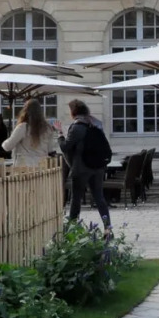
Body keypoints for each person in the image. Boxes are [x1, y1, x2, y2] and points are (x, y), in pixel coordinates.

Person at [59, 99, 114, 231]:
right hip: (98, 167)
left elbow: (65, 147)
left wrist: (60, 134)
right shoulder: (96, 124)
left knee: (76, 199)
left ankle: (72, 229)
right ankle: (108, 229)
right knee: (99, 198)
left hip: (81, 168)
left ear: (73, 112)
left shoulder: (77, 127)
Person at [3, 98, 57, 166]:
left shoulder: (23, 127)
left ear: (25, 111)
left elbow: (8, 146)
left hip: (24, 166)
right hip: (41, 165)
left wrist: (3, 143)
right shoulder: (48, 128)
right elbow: (50, 149)